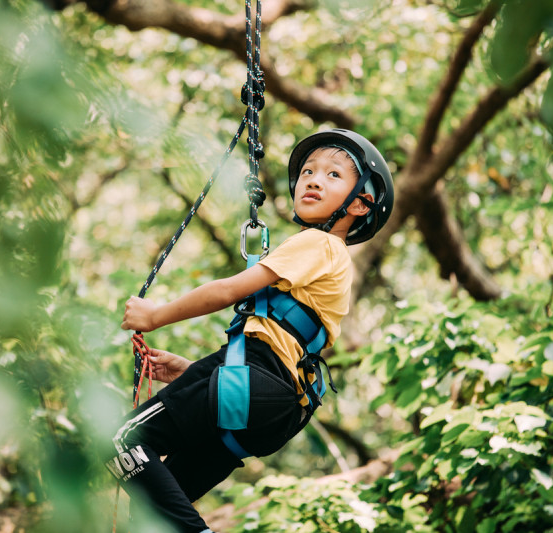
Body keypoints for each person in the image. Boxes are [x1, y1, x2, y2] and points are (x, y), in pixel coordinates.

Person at [108, 128, 394, 533]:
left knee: (122, 442)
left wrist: (154, 316)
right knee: (155, 514)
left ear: (362, 204)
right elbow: (280, 352)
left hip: (256, 379)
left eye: (333, 175)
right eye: (308, 171)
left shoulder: (319, 244)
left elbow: (227, 291)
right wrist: (192, 373)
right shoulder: (332, 266)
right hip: (271, 406)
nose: (312, 178)